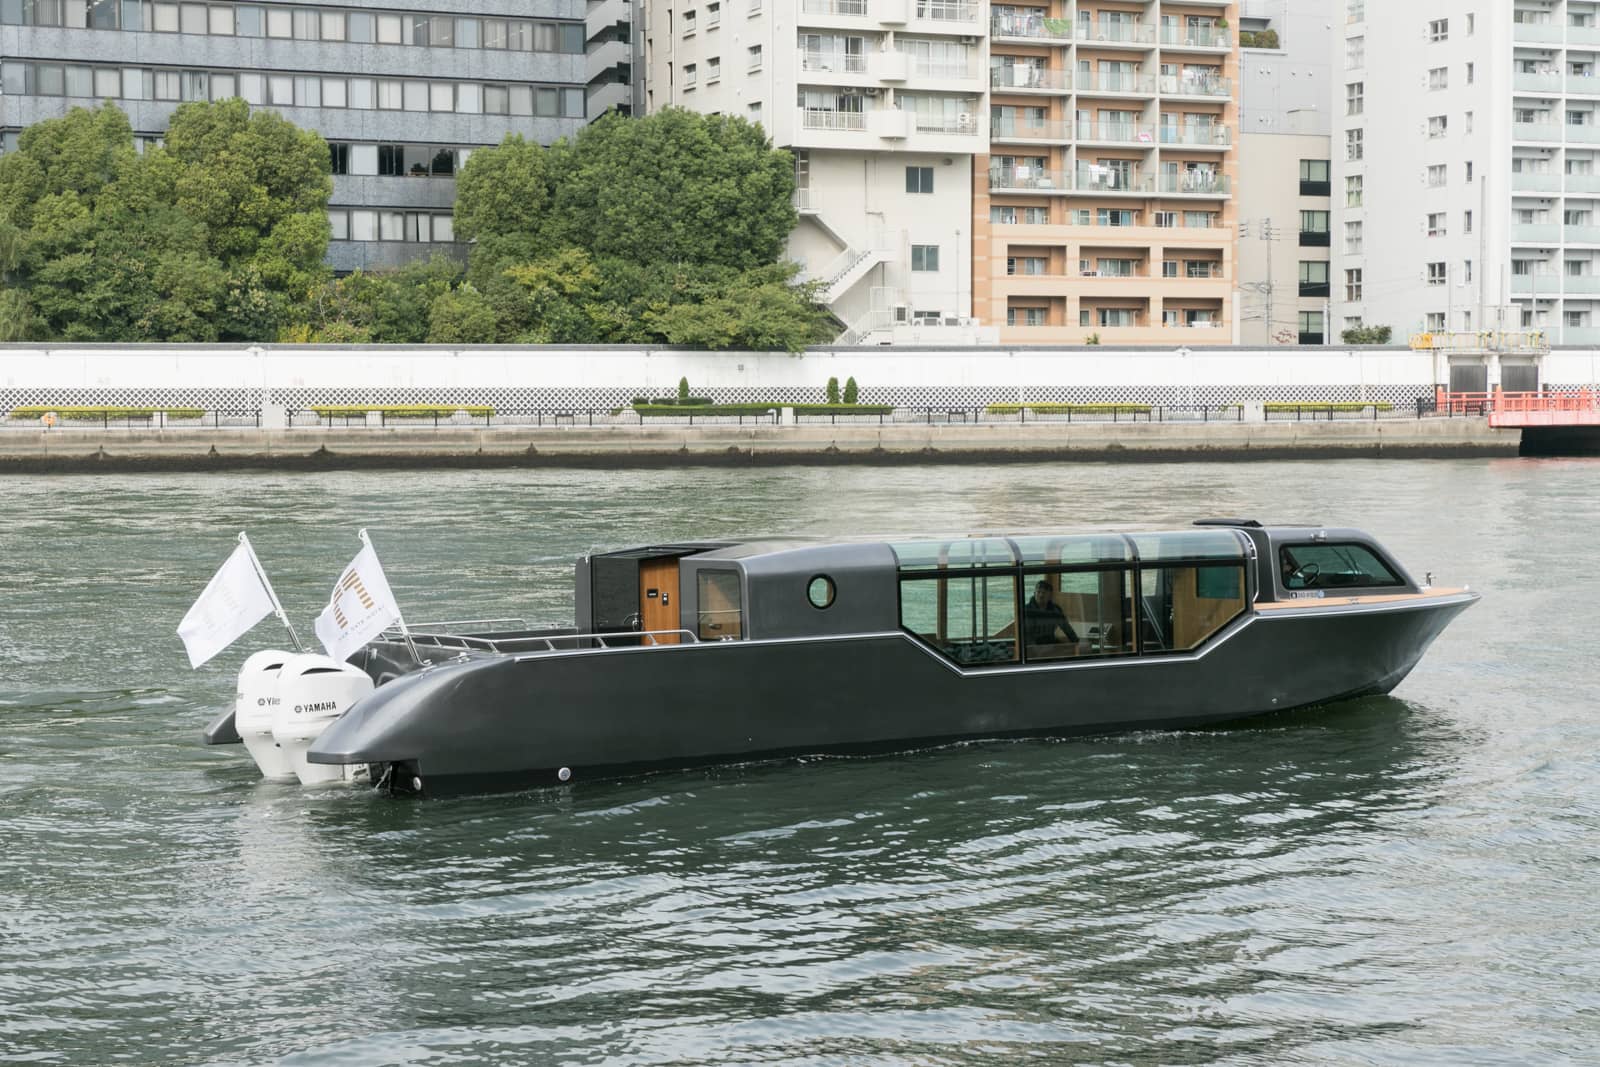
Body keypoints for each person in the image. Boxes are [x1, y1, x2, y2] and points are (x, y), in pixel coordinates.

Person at [1024, 580, 1079, 647]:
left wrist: (1077, 643)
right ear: (1034, 593)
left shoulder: (1055, 610)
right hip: (1033, 647)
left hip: (1050, 644)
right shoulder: (1027, 611)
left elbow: (1066, 628)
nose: (1041, 595)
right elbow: (1027, 636)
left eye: (1044, 593)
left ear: (1050, 595)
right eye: (1038, 592)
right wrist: (1035, 650)